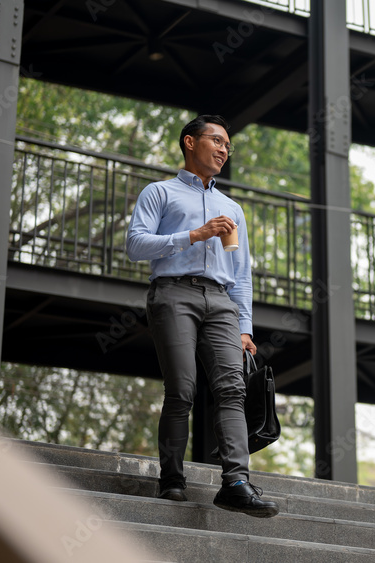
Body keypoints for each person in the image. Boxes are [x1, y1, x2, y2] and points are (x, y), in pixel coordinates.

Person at [125, 114, 278, 518]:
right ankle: (172, 480)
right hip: (173, 293)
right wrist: (195, 234)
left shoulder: (233, 209)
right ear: (190, 142)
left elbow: (241, 273)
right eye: (217, 140)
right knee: (183, 390)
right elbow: (136, 245)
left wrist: (245, 327)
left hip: (222, 301)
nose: (224, 149)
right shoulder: (160, 192)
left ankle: (236, 483)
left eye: (228, 145)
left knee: (233, 390)